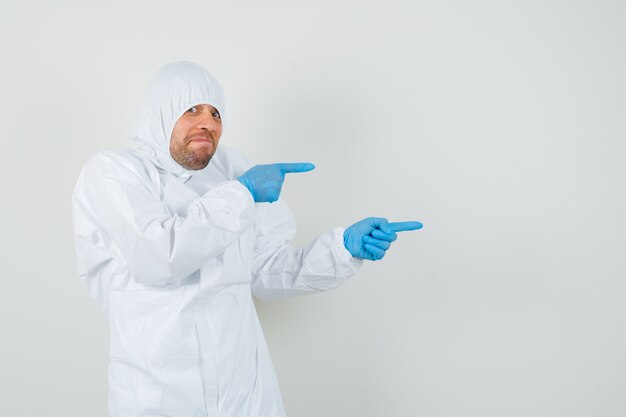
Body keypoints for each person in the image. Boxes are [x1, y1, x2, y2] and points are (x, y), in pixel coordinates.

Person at [72, 61, 422, 417]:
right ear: (160, 112)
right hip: (159, 396)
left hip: (244, 393)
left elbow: (267, 271)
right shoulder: (115, 173)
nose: (208, 122)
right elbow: (160, 257)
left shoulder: (231, 171)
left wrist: (342, 250)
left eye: (216, 113)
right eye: (190, 109)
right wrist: (242, 193)